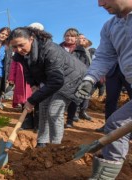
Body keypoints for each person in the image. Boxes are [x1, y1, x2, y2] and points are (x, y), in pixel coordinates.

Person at [75, 0, 132, 178]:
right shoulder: (110, 27)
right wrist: (90, 78)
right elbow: (105, 56)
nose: (100, 4)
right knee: (115, 124)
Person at [8, 27, 86, 148]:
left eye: (21, 45)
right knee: (43, 107)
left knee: (54, 110)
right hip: (52, 78)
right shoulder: (21, 54)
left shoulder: (49, 49)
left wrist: (32, 100)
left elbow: (57, 81)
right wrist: (34, 85)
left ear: (31, 39)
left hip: (72, 78)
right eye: (14, 46)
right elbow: (28, 71)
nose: (18, 49)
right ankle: (41, 143)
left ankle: (54, 147)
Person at [60, 28, 91, 128]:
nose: (69, 38)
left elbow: (84, 65)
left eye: (72, 36)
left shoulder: (81, 51)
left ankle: (69, 120)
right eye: (67, 35)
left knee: (73, 100)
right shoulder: (58, 48)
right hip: (60, 78)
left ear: (76, 38)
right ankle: (57, 121)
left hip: (75, 79)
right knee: (58, 101)